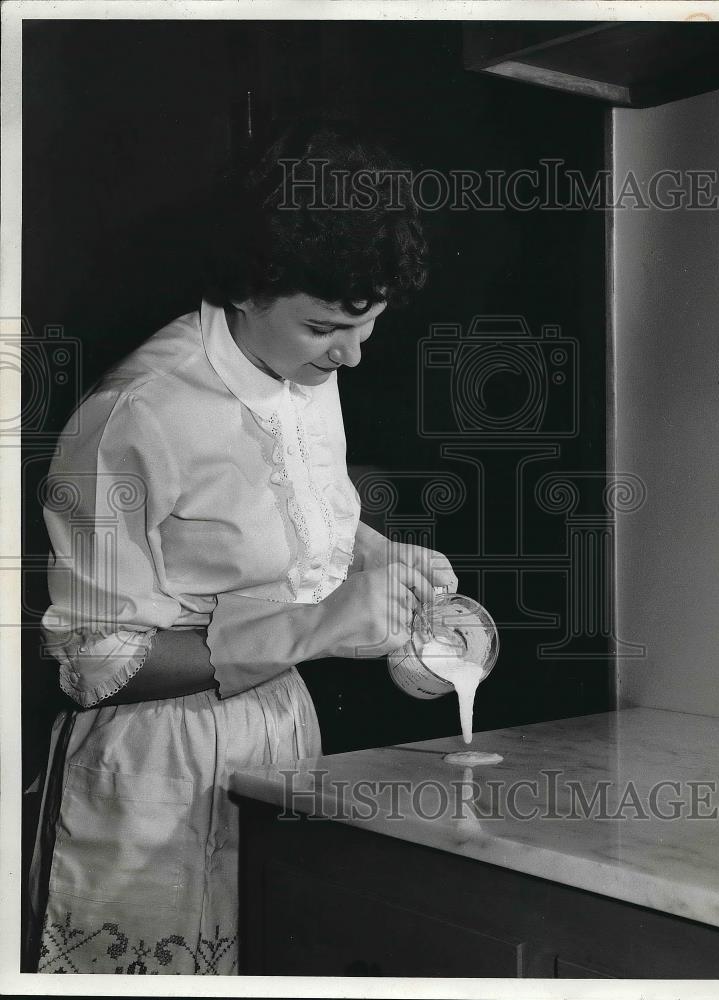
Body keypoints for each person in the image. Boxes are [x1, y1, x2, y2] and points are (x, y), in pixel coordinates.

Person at [28, 120, 457, 975]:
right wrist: (312, 629)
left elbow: (278, 520)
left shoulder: (299, 369)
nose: (354, 354)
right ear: (249, 285)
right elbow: (92, 662)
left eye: (367, 323)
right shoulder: (136, 415)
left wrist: (374, 555)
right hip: (154, 758)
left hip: (278, 736)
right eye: (328, 326)